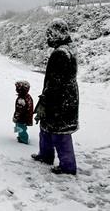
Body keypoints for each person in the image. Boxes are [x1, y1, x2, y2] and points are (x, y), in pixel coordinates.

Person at [32, 18, 79, 175]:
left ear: (58, 34)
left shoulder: (61, 54)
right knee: (46, 127)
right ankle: (45, 155)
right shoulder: (68, 50)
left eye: (50, 34)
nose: (48, 38)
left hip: (61, 100)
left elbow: (55, 82)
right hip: (65, 97)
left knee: (61, 133)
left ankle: (68, 166)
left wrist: (45, 100)